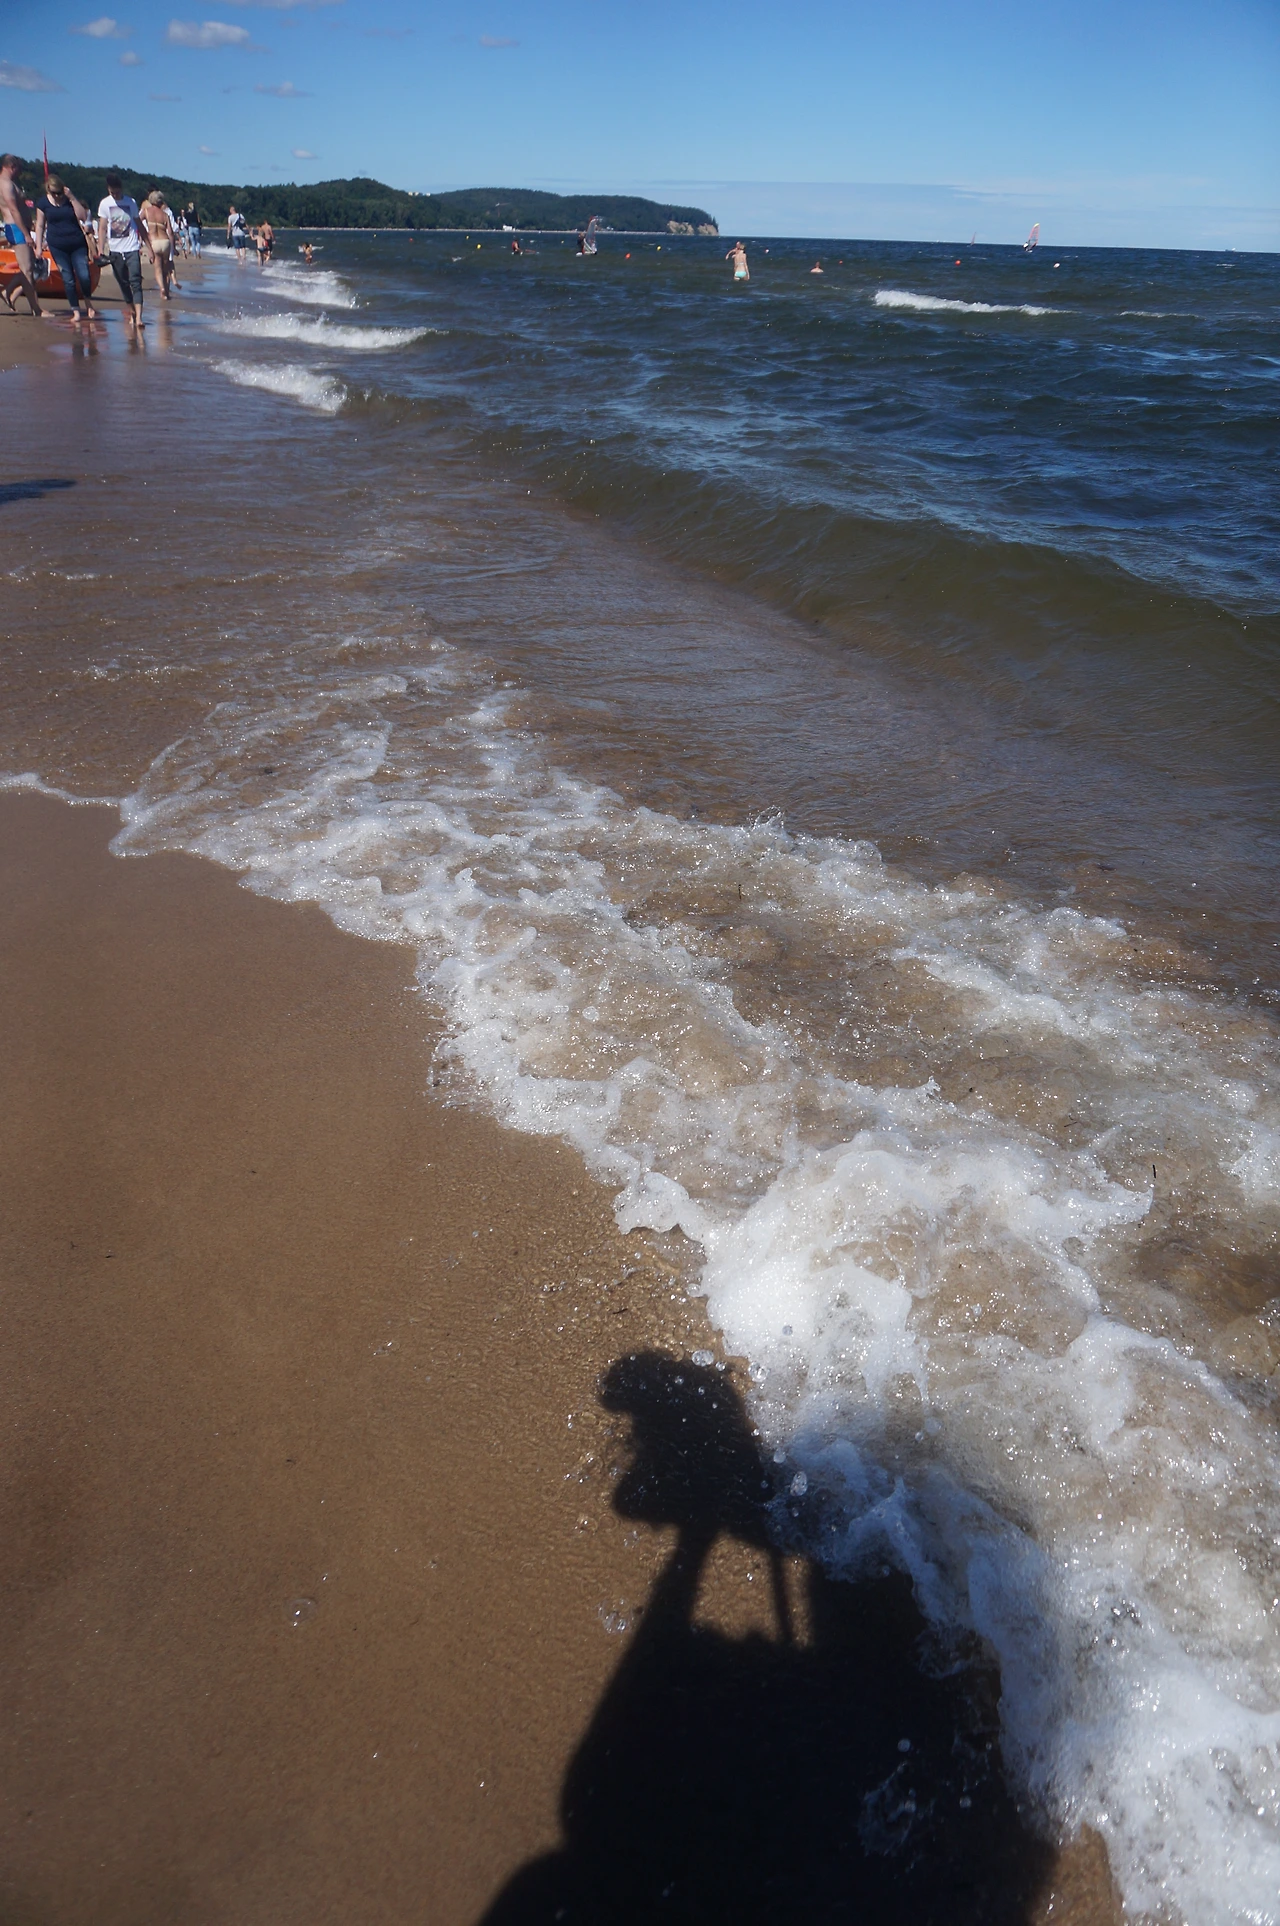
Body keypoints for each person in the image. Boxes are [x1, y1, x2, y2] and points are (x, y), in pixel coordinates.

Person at [32, 175, 98, 326]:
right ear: (48, 190)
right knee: (68, 278)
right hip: (57, 246)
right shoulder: (43, 203)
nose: (57, 196)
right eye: (54, 193)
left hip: (77, 243)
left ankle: (88, 303)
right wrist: (38, 246)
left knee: (84, 275)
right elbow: (40, 225)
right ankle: (76, 311)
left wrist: (71, 197)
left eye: (59, 193)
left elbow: (83, 216)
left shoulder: (69, 200)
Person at [97, 170, 153, 328]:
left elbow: (140, 226)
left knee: (135, 281)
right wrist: (100, 250)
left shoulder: (131, 202)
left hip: (132, 247)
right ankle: (132, 311)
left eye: (117, 192)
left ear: (121, 188)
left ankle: (139, 317)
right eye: (112, 192)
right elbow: (102, 228)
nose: (115, 195)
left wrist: (149, 248)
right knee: (123, 283)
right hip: (115, 250)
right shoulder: (105, 204)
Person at [0, 154, 44, 317]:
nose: (20, 172)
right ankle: (36, 309)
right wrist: (26, 234)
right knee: (27, 270)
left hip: (18, 227)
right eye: (19, 168)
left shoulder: (9, 183)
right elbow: (13, 210)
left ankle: (7, 291)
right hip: (16, 228)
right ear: (11, 167)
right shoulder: (6, 185)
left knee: (29, 268)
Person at [140, 189, 176, 299]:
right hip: (165, 242)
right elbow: (170, 233)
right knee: (166, 270)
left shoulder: (146, 211)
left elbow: (137, 222)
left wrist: (141, 237)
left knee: (158, 269)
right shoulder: (165, 215)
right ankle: (166, 293)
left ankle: (162, 288)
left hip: (154, 242)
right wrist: (173, 248)